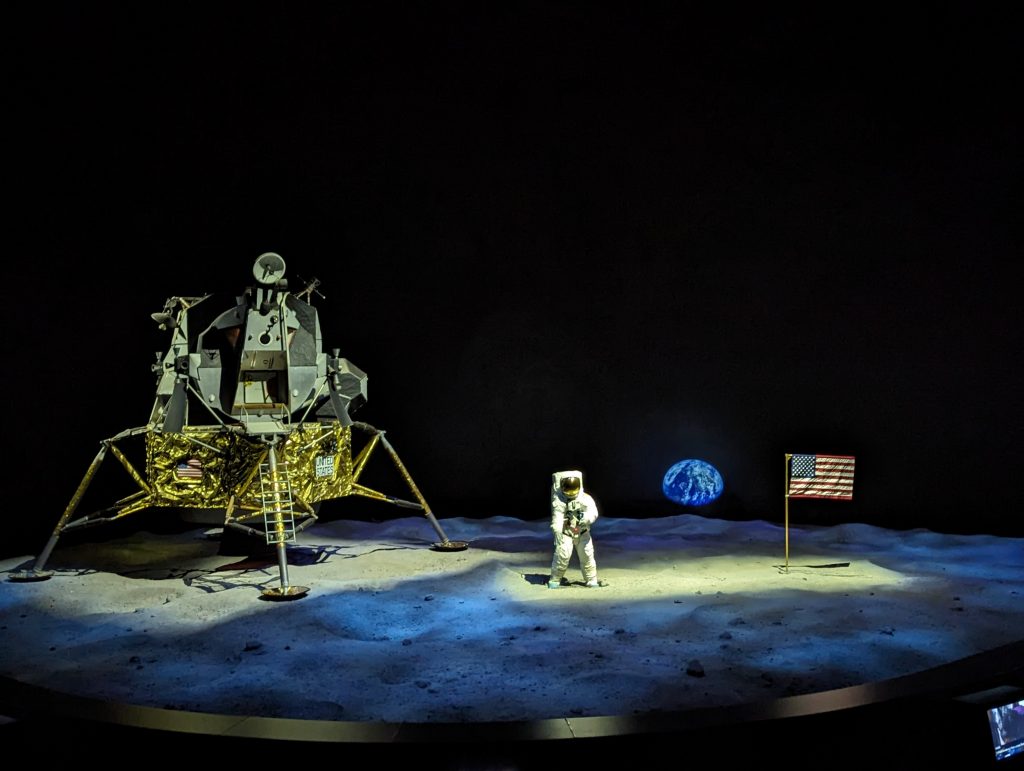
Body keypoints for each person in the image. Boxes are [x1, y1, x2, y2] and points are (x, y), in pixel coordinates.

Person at [548, 469, 605, 588]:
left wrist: (587, 518)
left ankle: (591, 579)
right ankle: (555, 579)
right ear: (560, 486)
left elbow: (593, 512)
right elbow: (557, 518)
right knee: (562, 555)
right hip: (566, 533)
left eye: (574, 487)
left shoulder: (585, 499)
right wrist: (557, 531)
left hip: (582, 532)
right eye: (567, 487)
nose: (571, 491)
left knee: (587, 555)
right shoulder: (559, 502)